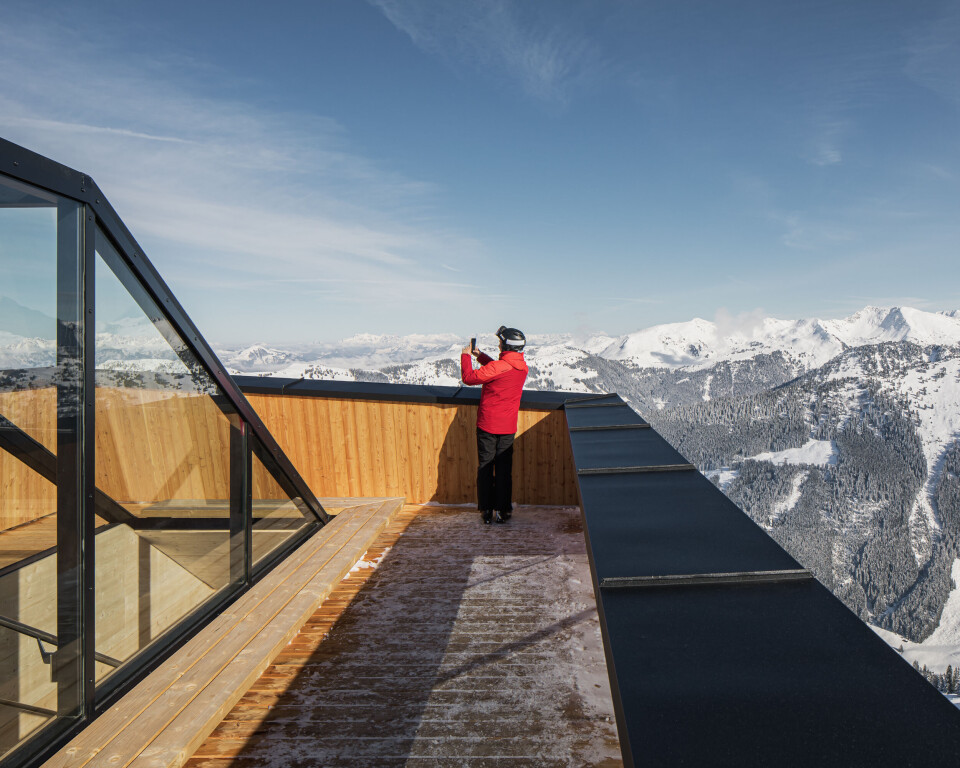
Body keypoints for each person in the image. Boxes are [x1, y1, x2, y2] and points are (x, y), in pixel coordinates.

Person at [461, 326, 529, 524]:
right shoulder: (522, 367)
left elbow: (469, 378)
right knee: (504, 470)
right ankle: (503, 510)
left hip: (487, 425)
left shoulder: (500, 367)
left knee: (485, 467)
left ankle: (486, 510)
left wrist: (466, 356)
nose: (498, 344)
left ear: (506, 345)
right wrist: (480, 355)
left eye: (500, 342)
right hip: (508, 427)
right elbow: (499, 369)